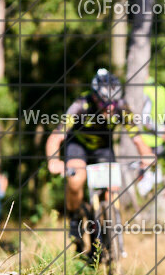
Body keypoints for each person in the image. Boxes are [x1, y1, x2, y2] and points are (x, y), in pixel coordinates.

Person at [45, 68, 155, 255]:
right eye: (105, 103)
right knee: (76, 179)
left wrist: (147, 156)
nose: (109, 108)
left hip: (103, 148)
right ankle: (75, 217)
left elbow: (136, 138)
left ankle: (109, 235)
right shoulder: (80, 105)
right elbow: (56, 137)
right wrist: (53, 161)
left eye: (112, 103)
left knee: (112, 190)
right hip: (77, 146)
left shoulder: (121, 107)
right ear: (95, 97)